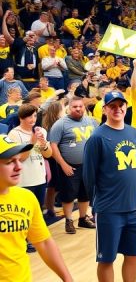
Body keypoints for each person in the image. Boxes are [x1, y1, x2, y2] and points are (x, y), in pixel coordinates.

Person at [83, 90, 136, 282]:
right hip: (109, 210)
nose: (117, 109)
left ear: (126, 107)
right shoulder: (97, 137)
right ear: (104, 109)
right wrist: (95, 205)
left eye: (121, 105)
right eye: (112, 106)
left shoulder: (133, 132)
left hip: (134, 208)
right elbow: (88, 176)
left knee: (133, 255)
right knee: (106, 259)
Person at [0, 135, 73, 281]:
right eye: (9, 162)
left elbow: (44, 242)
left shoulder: (26, 198)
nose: (19, 166)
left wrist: (67, 279)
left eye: (19, 160)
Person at [48, 96, 98, 234]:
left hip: (88, 166)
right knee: (68, 195)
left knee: (85, 193)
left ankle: (82, 218)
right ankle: (69, 221)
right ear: (69, 108)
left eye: (80, 106)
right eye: (74, 107)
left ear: (84, 107)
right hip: (69, 166)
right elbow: (53, 146)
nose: (78, 109)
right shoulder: (60, 124)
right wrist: (63, 164)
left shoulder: (91, 121)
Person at [7, 104, 53, 251]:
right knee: (24, 212)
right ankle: (24, 240)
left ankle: (35, 238)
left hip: (39, 177)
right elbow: (20, 158)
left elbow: (48, 154)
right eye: (29, 116)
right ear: (21, 118)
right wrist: (32, 142)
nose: (33, 119)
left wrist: (43, 144)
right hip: (24, 180)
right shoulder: (14, 134)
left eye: (34, 116)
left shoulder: (41, 131)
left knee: (37, 210)